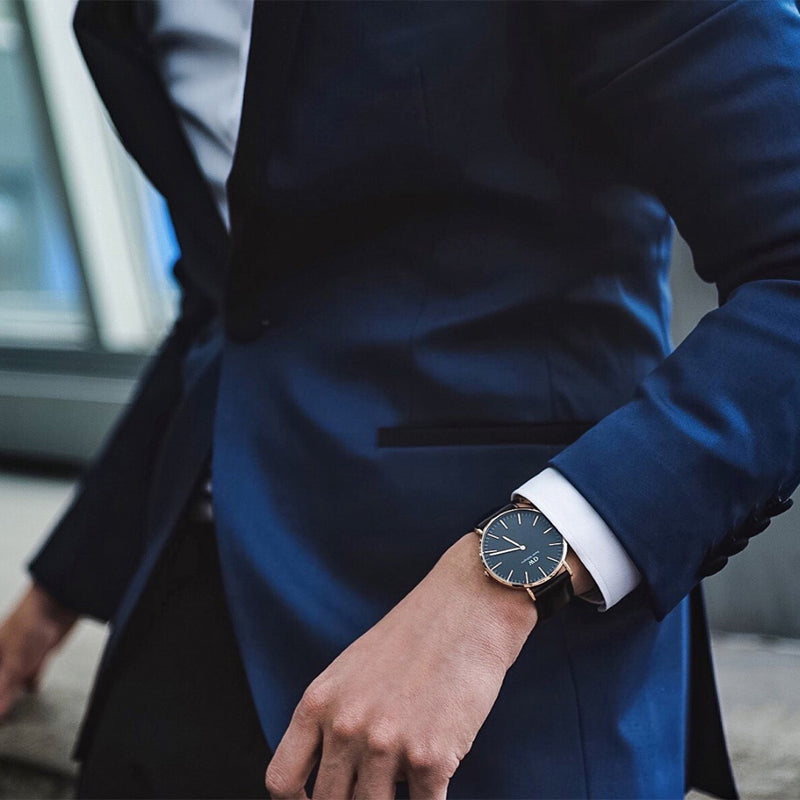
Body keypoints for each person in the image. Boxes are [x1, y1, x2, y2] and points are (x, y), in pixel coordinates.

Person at [2, 0, 800, 797]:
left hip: (507, 648)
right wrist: (61, 589)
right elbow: (233, 306)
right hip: (196, 605)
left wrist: (503, 578)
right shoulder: (116, 16)